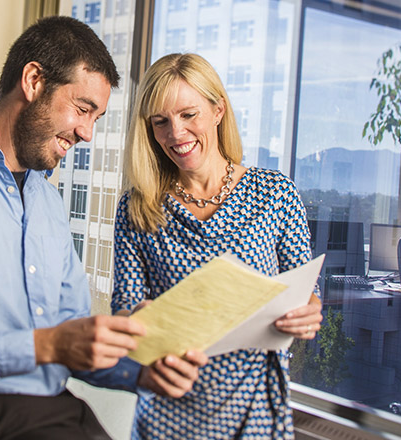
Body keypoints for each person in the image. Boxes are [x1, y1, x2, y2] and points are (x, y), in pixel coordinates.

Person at [0, 17, 207, 440]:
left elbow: (72, 339)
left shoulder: (46, 203)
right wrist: (44, 346)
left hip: (55, 410)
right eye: (82, 109)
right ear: (33, 80)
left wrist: (140, 367)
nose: (86, 133)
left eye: (95, 118)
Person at [112, 52, 323, 439]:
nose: (176, 134)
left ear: (218, 111)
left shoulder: (275, 193)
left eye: (188, 114)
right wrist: (137, 322)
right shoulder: (137, 206)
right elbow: (123, 311)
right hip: (167, 413)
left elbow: (306, 292)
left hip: (256, 408)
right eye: (161, 122)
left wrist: (308, 313)